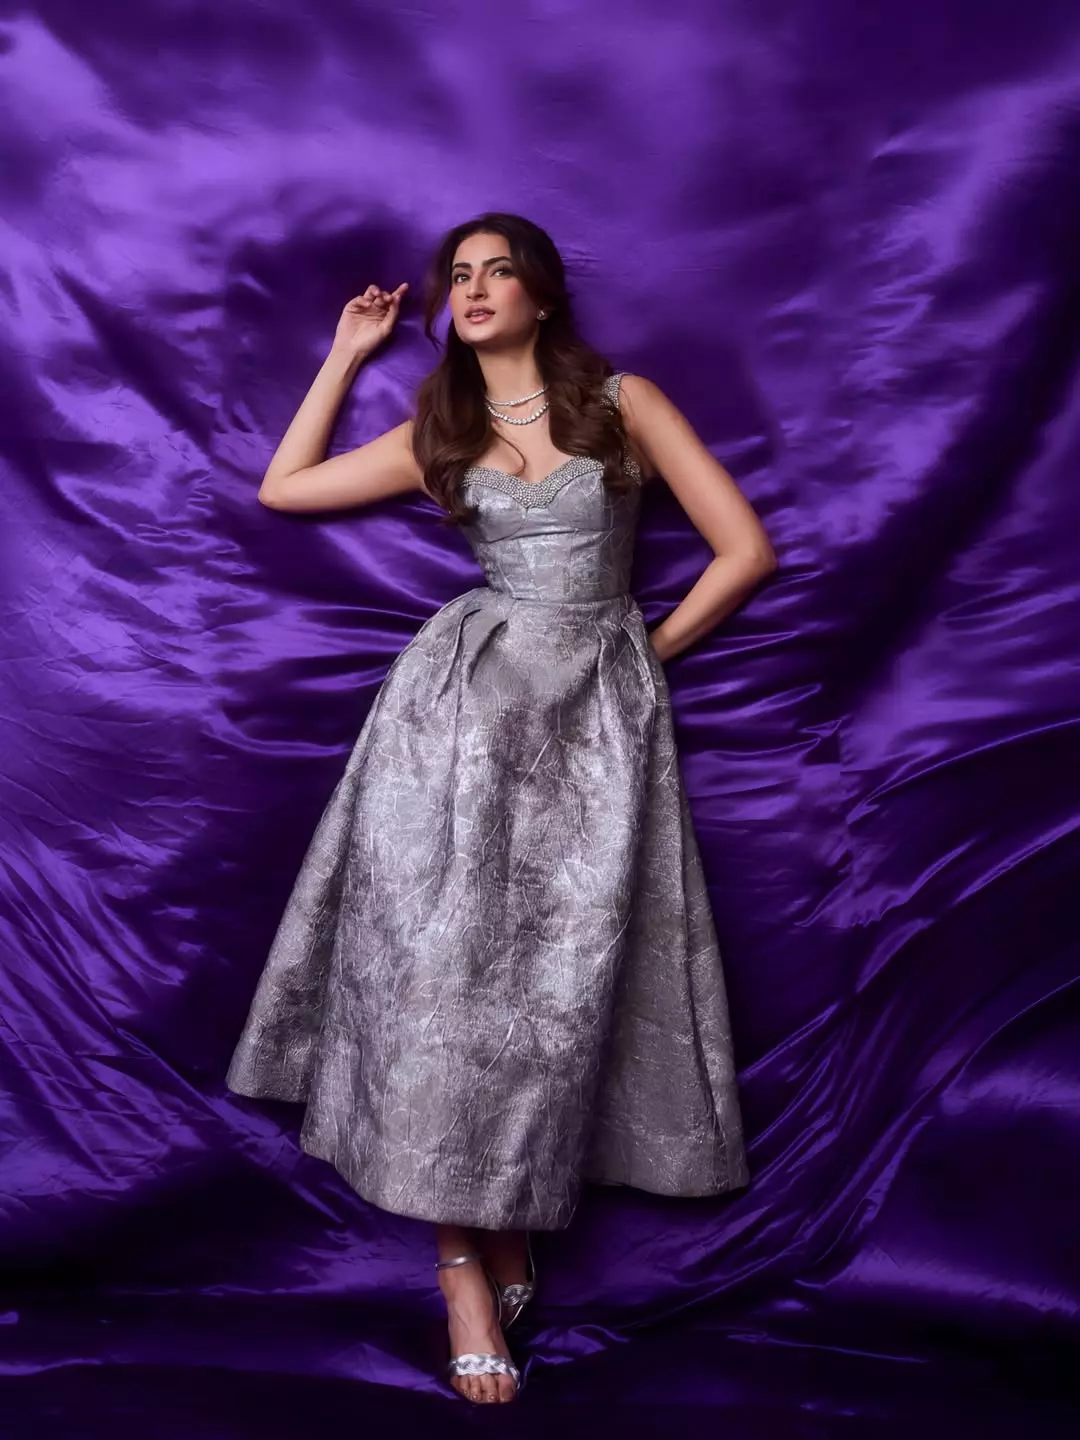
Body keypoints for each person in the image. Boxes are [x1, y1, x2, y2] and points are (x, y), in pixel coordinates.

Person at [227, 212, 776, 1405]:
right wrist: (345, 356)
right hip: (452, 722)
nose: (475, 290)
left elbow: (743, 551)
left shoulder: (624, 403)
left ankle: (510, 1219)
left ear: (543, 294)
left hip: (589, 732)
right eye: (460, 277)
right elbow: (284, 488)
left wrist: (638, 658)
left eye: (499, 272)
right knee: (442, 974)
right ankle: (462, 1271)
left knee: (546, 981)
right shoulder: (443, 426)